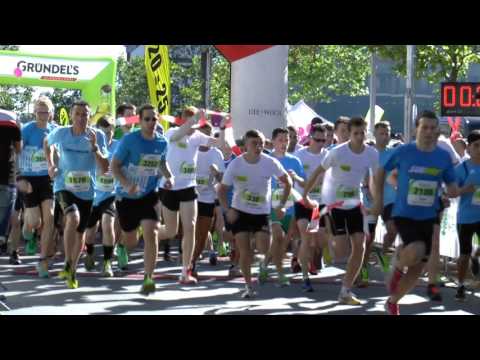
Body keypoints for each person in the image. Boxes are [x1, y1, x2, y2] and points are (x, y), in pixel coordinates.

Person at [372, 110, 461, 315]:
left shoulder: (443, 156)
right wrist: (378, 200)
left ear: (437, 131)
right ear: (416, 130)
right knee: (418, 249)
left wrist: (452, 191)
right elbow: (381, 171)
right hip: (404, 212)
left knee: (418, 267)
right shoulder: (404, 151)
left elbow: (451, 184)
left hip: (428, 216)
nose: (429, 132)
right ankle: (396, 265)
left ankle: (393, 301)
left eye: (432, 128)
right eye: (425, 127)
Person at [303, 117, 379, 305]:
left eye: (362, 133)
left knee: (360, 246)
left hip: (355, 203)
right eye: (355, 133)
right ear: (349, 134)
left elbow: (374, 180)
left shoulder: (371, 153)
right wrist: (305, 195)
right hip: (333, 202)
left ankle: (345, 291)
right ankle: (324, 238)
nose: (360, 137)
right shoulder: (337, 153)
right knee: (340, 252)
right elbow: (317, 173)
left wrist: (377, 201)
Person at [158, 107, 227, 284]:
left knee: (190, 227)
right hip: (169, 187)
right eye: (190, 119)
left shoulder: (198, 137)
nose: (194, 123)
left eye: (196, 121)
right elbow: (181, 131)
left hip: (189, 187)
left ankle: (185, 270)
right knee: (171, 231)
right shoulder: (172, 132)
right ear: (181, 119)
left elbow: (218, 144)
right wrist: (196, 117)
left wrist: (224, 127)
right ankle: (150, 231)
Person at [218, 130, 291, 298]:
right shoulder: (236, 164)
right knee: (245, 251)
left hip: (261, 213)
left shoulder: (270, 162)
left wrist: (281, 206)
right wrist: (227, 210)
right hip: (240, 211)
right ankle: (248, 286)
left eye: (261, 144)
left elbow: (288, 182)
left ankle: (263, 265)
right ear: (245, 146)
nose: (258, 147)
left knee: (264, 247)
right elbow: (222, 190)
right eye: (254, 144)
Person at [45, 100, 109, 288]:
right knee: (72, 218)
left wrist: (95, 148)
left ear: (90, 117)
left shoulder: (97, 135)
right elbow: (46, 142)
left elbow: (104, 168)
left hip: (87, 191)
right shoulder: (62, 132)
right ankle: (66, 261)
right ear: (72, 115)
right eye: (78, 114)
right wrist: (50, 165)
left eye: (85, 114)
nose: (81, 118)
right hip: (63, 185)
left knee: (81, 231)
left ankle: (71, 269)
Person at [112, 104, 171, 294]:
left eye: (154, 119)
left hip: (149, 194)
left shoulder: (162, 142)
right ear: (139, 120)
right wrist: (127, 184)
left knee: (152, 233)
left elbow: (161, 163)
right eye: (147, 119)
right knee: (131, 239)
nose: (151, 123)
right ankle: (122, 245)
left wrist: (169, 177)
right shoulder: (129, 140)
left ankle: (148, 278)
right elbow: (115, 166)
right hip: (127, 196)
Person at [17, 96, 58, 277]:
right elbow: (16, 153)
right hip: (29, 179)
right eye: (39, 112)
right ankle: (28, 230)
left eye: (46, 112)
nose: (42, 115)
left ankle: (42, 261)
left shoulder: (55, 130)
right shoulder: (27, 130)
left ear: (51, 113)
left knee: (49, 217)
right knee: (35, 222)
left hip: (47, 179)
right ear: (35, 112)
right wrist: (18, 177)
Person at [260, 128, 305, 287]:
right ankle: (279, 273)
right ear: (273, 141)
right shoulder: (266, 159)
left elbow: (305, 184)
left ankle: (265, 264)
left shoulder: (295, 161)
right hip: (272, 204)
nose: (284, 143)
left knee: (286, 241)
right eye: (280, 140)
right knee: (277, 236)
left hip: (291, 206)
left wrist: (296, 177)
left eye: (287, 140)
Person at [293, 124, 329, 292]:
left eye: (324, 140)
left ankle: (305, 257)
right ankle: (305, 277)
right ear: (310, 138)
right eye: (318, 140)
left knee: (318, 240)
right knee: (306, 238)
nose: (321, 143)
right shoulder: (299, 155)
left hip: (320, 203)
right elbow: (292, 178)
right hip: (302, 201)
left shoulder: (328, 156)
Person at [84, 116, 119, 277]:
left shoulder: (119, 146)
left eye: (111, 129)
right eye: (104, 130)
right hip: (92, 195)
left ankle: (107, 262)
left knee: (108, 224)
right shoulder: (90, 145)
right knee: (90, 232)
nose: (108, 133)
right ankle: (89, 253)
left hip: (110, 194)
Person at [189, 121, 225, 278]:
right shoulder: (191, 149)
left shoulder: (216, 153)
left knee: (203, 235)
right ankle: (188, 262)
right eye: (203, 132)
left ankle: (192, 262)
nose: (206, 135)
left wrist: (217, 173)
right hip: (189, 196)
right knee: (190, 232)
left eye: (209, 132)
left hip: (207, 198)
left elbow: (223, 180)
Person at [454, 130, 480, 301]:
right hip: (465, 218)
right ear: (469, 148)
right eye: (476, 146)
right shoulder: (462, 168)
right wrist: (464, 190)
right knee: (463, 255)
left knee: (471, 252)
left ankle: (475, 256)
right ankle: (461, 285)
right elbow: (451, 191)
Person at [0, 109, 21, 261]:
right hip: (9, 175)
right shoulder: (12, 120)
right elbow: (19, 148)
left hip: (10, 176)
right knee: (11, 216)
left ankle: (11, 249)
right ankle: (12, 250)